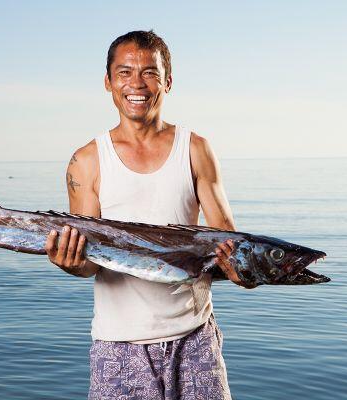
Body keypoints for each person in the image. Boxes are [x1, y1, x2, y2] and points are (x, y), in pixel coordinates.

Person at [45, 30, 250, 400]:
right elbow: (89, 264)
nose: (136, 84)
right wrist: (70, 262)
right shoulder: (86, 161)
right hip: (119, 346)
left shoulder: (196, 149)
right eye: (124, 73)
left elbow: (227, 243)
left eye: (149, 73)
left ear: (167, 82)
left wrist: (244, 272)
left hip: (195, 339)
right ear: (108, 82)